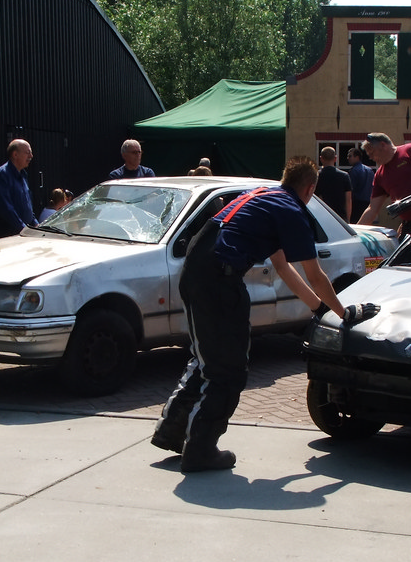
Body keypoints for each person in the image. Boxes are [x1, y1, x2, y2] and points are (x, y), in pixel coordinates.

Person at [152, 157, 374, 473]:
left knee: (208, 359)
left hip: (195, 271)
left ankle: (173, 433)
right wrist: (345, 312)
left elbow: (283, 268)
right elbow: (315, 274)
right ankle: (200, 450)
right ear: (310, 189)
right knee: (228, 369)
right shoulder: (291, 210)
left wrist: (319, 309)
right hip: (220, 280)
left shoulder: (261, 197)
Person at [0, 139, 38, 238]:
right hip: (6, 234)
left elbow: (27, 205)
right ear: (15, 154)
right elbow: (5, 208)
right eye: (27, 152)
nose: (31, 156)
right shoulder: (2, 175)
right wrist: (23, 229)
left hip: (22, 233)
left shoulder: (23, 175)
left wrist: (35, 224)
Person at [314, 146, 352, 220]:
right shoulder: (344, 176)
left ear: (321, 158)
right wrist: (347, 220)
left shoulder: (316, 176)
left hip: (322, 216)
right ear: (335, 158)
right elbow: (348, 200)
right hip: (340, 217)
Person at [346, 147, 375, 221]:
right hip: (369, 203)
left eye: (350, 156)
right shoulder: (370, 170)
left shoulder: (354, 171)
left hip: (356, 204)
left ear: (357, 157)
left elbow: (351, 189)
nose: (348, 158)